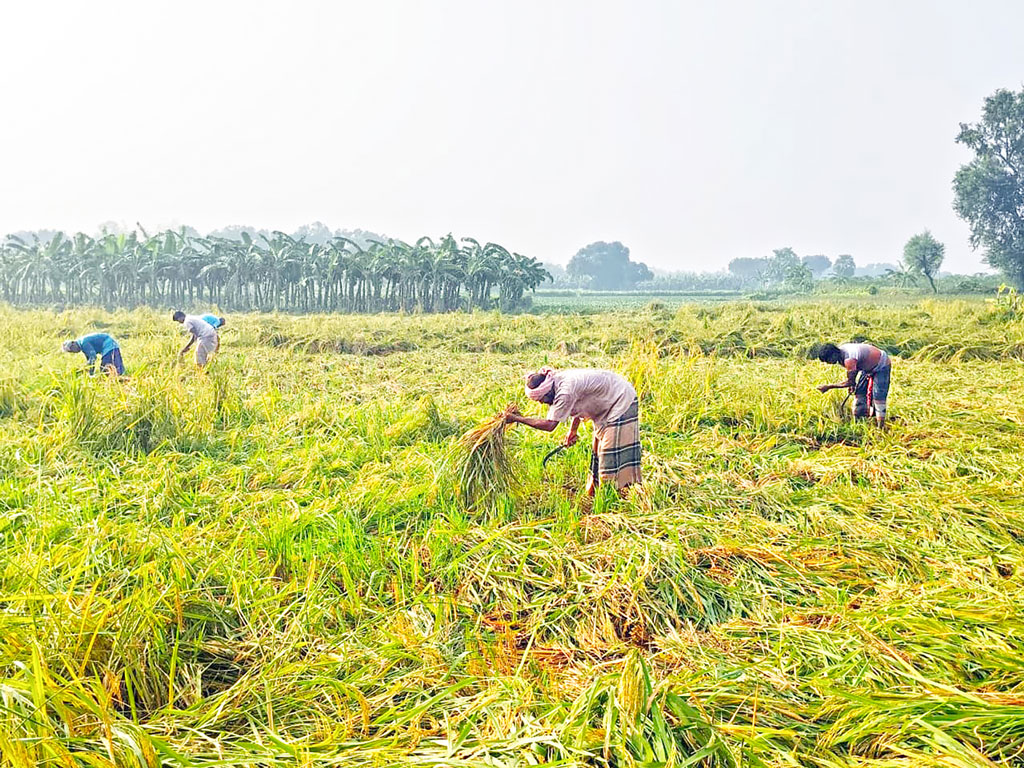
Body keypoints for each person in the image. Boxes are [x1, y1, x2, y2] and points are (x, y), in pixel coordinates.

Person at [508, 366, 641, 495]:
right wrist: (573, 431)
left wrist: (518, 419)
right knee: (597, 450)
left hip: (620, 400)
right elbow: (579, 401)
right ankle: (595, 492)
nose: (541, 403)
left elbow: (549, 426)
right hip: (606, 405)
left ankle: (614, 495)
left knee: (609, 453)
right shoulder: (557, 383)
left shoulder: (565, 391)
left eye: (541, 399)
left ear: (547, 391)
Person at [812, 342, 891, 428]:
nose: (828, 363)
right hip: (866, 368)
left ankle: (880, 427)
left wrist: (828, 387)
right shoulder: (841, 355)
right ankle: (860, 421)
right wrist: (851, 385)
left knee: (878, 396)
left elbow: (850, 380)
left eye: (828, 360)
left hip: (881, 364)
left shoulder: (848, 358)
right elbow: (855, 369)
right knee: (859, 392)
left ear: (833, 354)